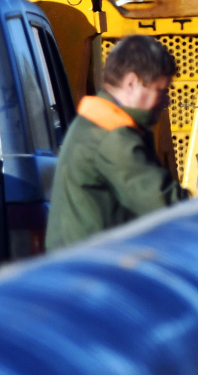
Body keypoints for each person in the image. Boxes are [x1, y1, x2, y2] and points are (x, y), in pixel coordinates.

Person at [46, 35, 187, 250]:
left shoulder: (96, 122)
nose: (166, 100)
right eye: (161, 91)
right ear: (131, 83)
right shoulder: (112, 136)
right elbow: (164, 203)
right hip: (95, 264)